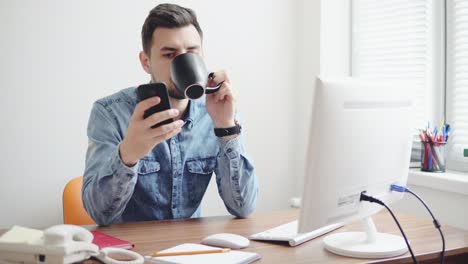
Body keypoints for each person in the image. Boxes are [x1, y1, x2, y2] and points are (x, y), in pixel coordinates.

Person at [82, 3, 258, 226]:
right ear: (146, 62)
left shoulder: (217, 110)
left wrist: (226, 127)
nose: (183, 62)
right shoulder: (110, 113)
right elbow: (99, 215)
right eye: (169, 54)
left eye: (192, 52)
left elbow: (244, 208)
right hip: (131, 253)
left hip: (189, 251)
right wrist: (128, 154)